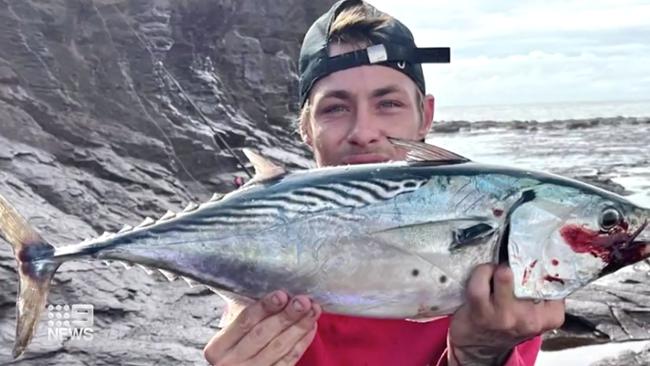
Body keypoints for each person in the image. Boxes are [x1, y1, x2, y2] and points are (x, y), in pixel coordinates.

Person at [203, 1, 566, 365]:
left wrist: (481, 357)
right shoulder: (266, 265)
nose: (363, 133)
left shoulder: (496, 284)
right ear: (306, 130)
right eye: (335, 108)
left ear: (426, 116)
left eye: (389, 104)